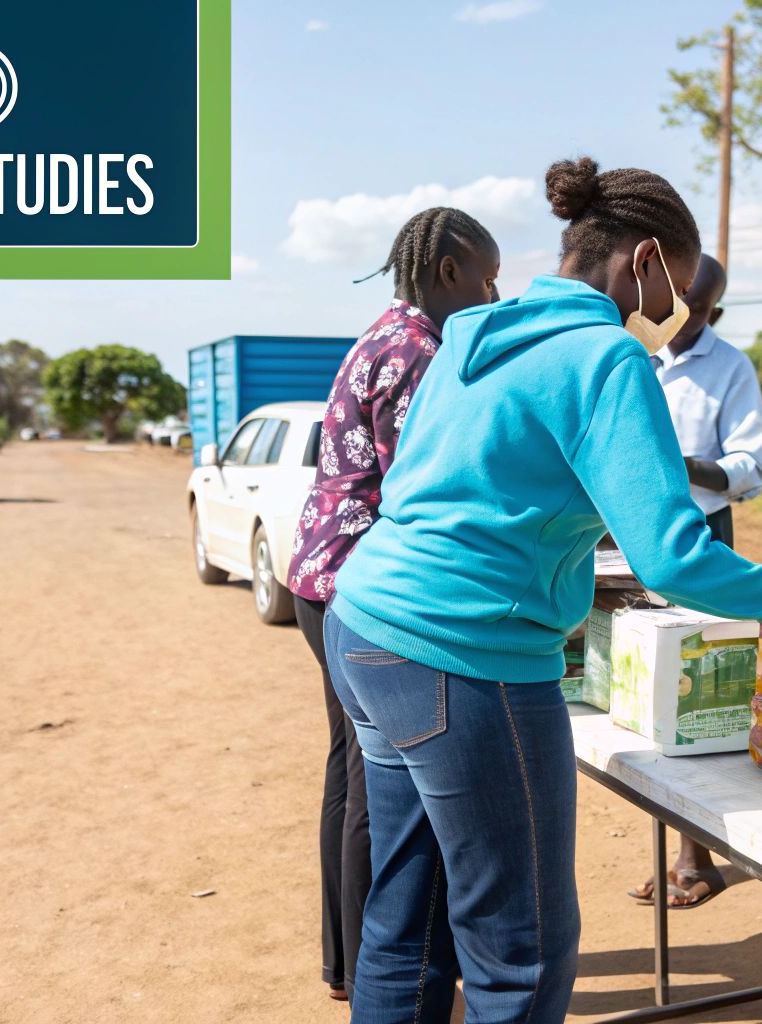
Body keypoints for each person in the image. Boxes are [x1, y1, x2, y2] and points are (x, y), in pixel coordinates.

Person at [322, 156, 762, 1023]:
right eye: (684, 291)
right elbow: (673, 559)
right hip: (465, 659)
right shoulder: (606, 359)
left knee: (408, 922)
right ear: (647, 262)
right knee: (521, 951)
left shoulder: (471, 334)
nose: (681, 313)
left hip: (367, 625)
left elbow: (459, 491)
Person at [287, 207, 501, 1003]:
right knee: (385, 786)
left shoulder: (383, 331)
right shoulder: (421, 353)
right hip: (361, 584)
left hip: (321, 572)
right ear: (449, 273)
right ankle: (380, 963)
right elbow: (428, 481)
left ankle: (347, 961)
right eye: (487, 277)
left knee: (351, 767)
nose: (493, 292)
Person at [627, 253, 762, 911]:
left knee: (696, 693)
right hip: (620, 536)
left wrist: (685, 466)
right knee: (636, 691)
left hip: (700, 538)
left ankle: (696, 854)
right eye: (677, 303)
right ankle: (673, 842)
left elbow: (748, 464)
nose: (685, 319)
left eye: (701, 309)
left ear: (715, 311)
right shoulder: (627, 352)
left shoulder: (728, 368)